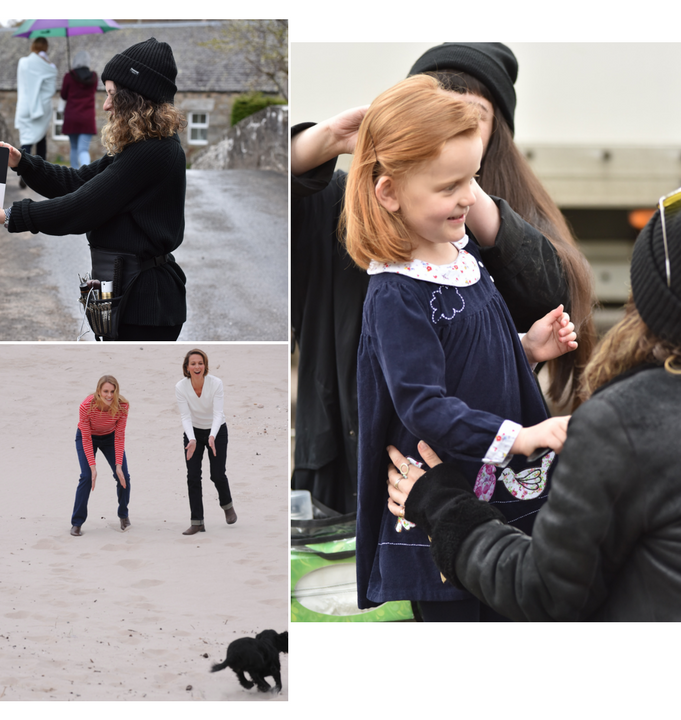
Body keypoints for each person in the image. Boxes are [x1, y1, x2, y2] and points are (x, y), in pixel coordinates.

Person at [291, 43, 594, 515]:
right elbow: (269, 203)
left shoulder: (480, 225)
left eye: (469, 114)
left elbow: (542, 297)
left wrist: (464, 193)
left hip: (476, 474)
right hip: (351, 460)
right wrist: (328, 138)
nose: (449, 121)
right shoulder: (351, 211)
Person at [342, 74, 577, 621]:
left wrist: (526, 347)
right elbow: (423, 404)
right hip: (439, 508)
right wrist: (521, 437)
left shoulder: (461, 256)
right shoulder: (395, 291)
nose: (468, 198)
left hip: (494, 496)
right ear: (389, 192)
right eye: (449, 186)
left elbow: (469, 356)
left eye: (471, 178)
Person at [386, 189, 681, 621]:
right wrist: (517, 352)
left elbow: (544, 591)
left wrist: (445, 508)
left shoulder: (625, 425)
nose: (464, 199)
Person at [0, 38, 188, 342]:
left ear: (137, 99)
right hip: (129, 293)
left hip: (146, 303)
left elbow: (84, 207)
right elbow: (78, 181)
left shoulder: (154, 152)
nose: (105, 105)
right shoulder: (139, 147)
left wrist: (10, 216)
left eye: (112, 95)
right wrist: (22, 162)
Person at [175, 349, 237, 535]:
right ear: (187, 367)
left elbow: (218, 413)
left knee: (217, 474)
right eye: (193, 363)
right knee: (193, 476)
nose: (197, 366)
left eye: (200, 363)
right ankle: (197, 522)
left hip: (217, 431)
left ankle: (227, 506)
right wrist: (192, 438)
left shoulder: (216, 383)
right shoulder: (181, 387)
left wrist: (212, 435)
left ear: (205, 365)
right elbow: (185, 416)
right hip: (192, 432)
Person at [72, 375, 131, 536]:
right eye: (105, 391)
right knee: (86, 476)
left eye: (113, 391)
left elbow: (119, 436)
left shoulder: (123, 406)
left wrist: (118, 465)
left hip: (110, 438)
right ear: (99, 391)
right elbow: (85, 437)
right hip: (87, 437)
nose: (109, 395)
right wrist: (93, 467)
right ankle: (77, 522)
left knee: (123, 475)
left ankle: (123, 515)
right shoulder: (86, 406)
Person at [15, 37, 57, 187]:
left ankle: (23, 173)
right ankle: (41, 174)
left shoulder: (23, 62)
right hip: (41, 107)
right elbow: (51, 89)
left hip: (24, 106)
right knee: (40, 138)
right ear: (46, 47)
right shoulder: (49, 66)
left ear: (32, 46)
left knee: (26, 140)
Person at [61, 50, 98, 169]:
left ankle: (74, 174)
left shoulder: (69, 76)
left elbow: (63, 95)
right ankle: (85, 175)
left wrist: (70, 78)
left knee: (74, 147)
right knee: (83, 150)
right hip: (87, 118)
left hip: (72, 116)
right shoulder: (94, 77)